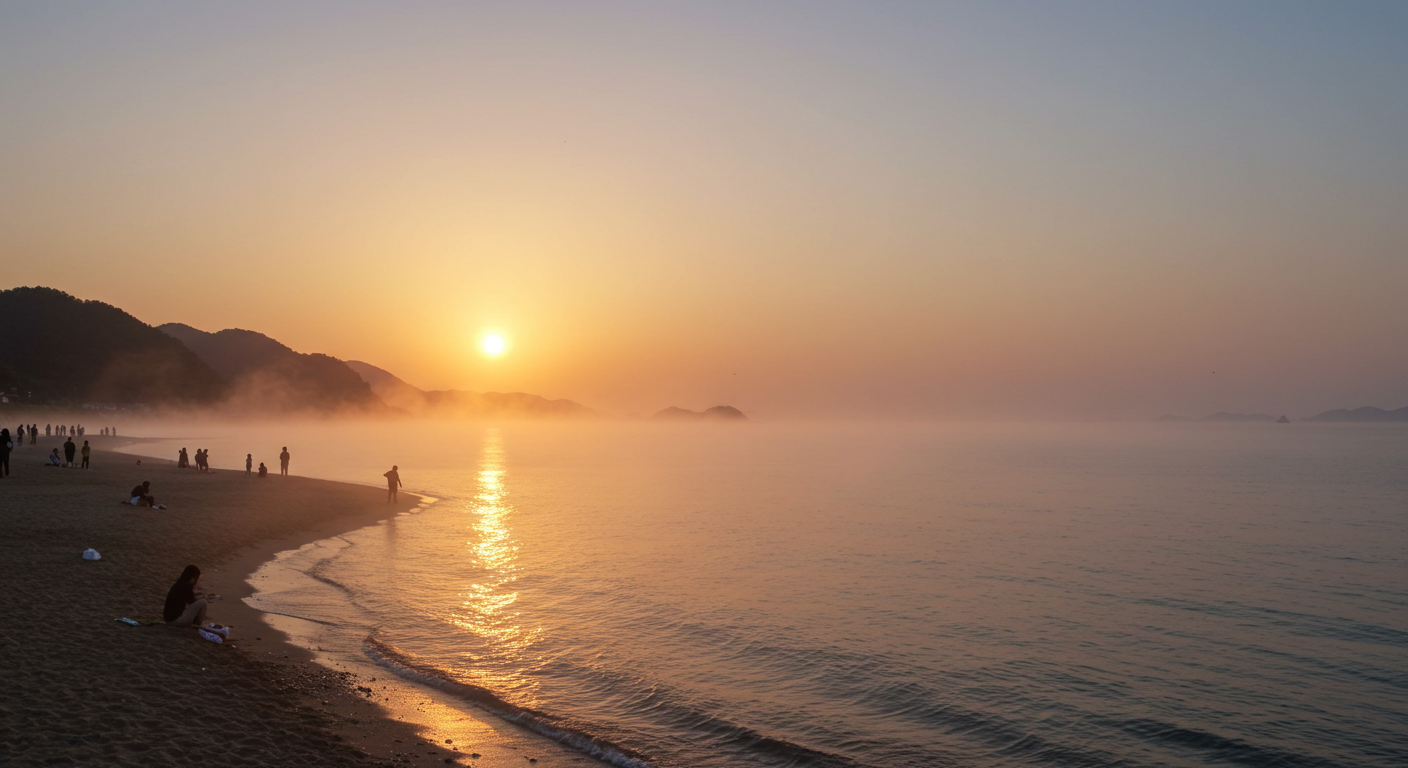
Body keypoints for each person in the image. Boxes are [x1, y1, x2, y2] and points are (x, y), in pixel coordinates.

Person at [163, 565, 227, 639]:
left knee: (200, 602)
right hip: (176, 621)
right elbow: (192, 602)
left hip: (169, 619)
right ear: (193, 577)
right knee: (203, 602)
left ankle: (197, 623)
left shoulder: (179, 584)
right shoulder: (186, 586)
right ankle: (198, 624)